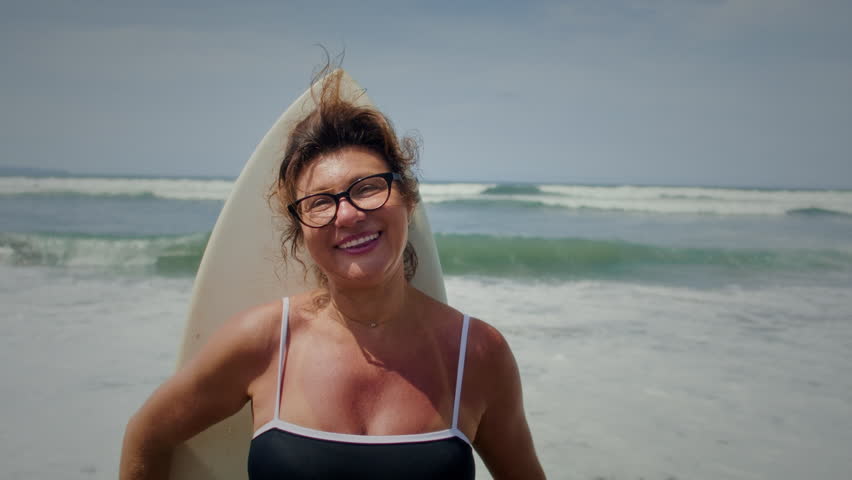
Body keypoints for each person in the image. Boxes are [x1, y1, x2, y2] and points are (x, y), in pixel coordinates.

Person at [119, 67, 545, 479]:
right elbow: (148, 435)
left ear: (408, 200)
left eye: (367, 187)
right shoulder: (266, 342)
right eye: (320, 202)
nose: (347, 214)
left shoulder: (477, 354)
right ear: (301, 231)